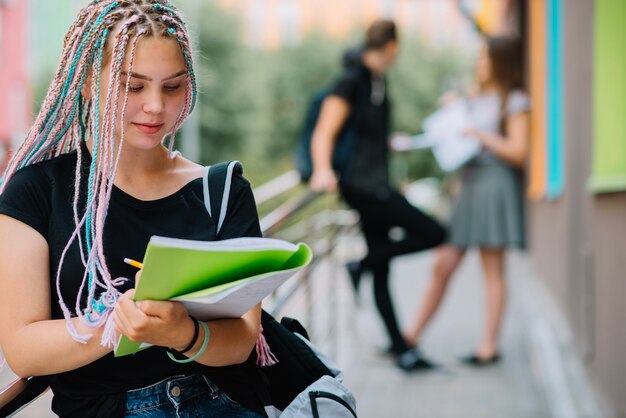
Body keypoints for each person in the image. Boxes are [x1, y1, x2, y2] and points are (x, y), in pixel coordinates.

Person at [0, 1, 267, 417]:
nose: (156, 106)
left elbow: (243, 339)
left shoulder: (222, 190)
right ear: (89, 82)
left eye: (173, 86)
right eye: (133, 86)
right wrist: (116, 325)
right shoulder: (35, 192)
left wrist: (185, 333)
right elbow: (23, 351)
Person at [308, 20, 446, 371]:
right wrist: (322, 170)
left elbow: (365, 132)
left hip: (375, 182)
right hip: (361, 186)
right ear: (392, 48)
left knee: (382, 267)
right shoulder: (352, 80)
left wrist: (390, 143)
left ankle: (402, 350)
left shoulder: (377, 81)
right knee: (435, 233)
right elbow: (325, 131)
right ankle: (360, 265)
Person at [404, 36, 530, 365]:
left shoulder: (514, 101)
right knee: (442, 263)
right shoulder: (475, 99)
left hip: (494, 185)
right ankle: (408, 337)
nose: (479, 65)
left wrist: (480, 135)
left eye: (485, 59)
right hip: (468, 185)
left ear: (501, 62)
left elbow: (519, 153)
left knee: (492, 268)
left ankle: (488, 347)